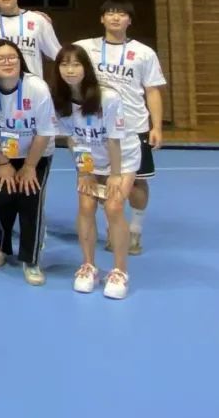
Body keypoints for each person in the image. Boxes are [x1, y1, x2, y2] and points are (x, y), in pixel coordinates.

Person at [74, 1, 166, 255]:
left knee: (136, 184)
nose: (115, 18)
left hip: (134, 127)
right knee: (102, 181)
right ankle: (112, 229)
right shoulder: (85, 48)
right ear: (102, 19)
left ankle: (135, 230)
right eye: (110, 13)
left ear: (129, 21)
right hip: (98, 128)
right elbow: (61, 59)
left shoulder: (144, 53)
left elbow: (152, 90)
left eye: (122, 14)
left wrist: (156, 126)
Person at [50, 44, 136, 299]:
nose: (70, 70)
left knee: (114, 207)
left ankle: (120, 271)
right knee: (86, 206)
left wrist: (115, 175)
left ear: (86, 67)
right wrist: (84, 171)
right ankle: (88, 266)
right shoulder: (60, 100)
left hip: (121, 158)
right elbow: (73, 139)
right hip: (89, 159)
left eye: (76, 64)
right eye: (64, 64)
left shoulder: (107, 97)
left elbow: (114, 139)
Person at [0, 39, 58, 285]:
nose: (7, 62)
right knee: (4, 197)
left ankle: (31, 259)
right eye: (0, 58)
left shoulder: (37, 88)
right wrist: (3, 163)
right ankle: (0, 245)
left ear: (20, 60)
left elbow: (44, 132)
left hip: (36, 153)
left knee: (30, 199)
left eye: (12, 57)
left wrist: (30, 166)